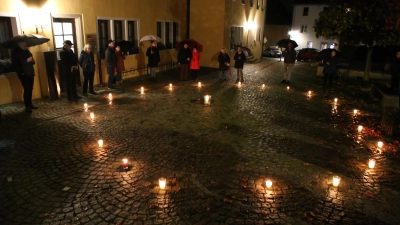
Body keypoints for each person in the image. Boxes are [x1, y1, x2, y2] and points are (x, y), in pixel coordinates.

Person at [11, 41, 38, 113]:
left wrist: (32, 60)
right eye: (24, 43)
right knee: (27, 89)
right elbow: (15, 64)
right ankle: (27, 106)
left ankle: (30, 103)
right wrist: (21, 72)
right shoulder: (15, 52)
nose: (25, 44)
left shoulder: (27, 51)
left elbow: (33, 61)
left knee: (30, 88)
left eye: (26, 43)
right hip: (23, 73)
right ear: (19, 44)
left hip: (30, 72)